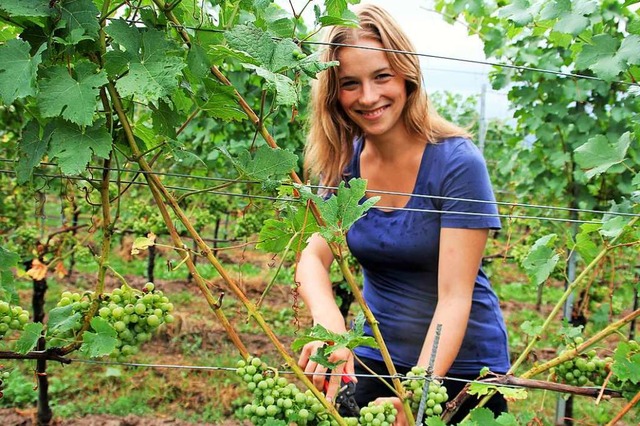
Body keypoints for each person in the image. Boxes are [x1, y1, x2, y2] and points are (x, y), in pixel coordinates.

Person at [295, 3, 510, 425]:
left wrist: (418, 394)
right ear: (333, 94)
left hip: (464, 369)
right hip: (375, 355)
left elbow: (453, 297)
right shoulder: (343, 163)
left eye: (381, 76)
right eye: (350, 83)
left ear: (406, 74)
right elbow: (311, 257)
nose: (369, 97)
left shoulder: (457, 163)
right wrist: (332, 330)